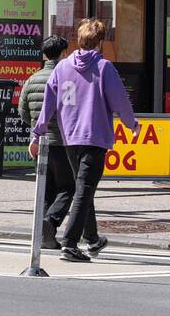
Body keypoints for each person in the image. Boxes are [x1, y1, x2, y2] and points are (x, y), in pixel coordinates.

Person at [30, 18, 139, 262]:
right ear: (99, 42)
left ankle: (92, 239)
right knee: (84, 189)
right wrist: (132, 125)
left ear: (78, 40)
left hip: (70, 138)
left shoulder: (61, 67)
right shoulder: (104, 67)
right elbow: (120, 101)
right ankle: (70, 243)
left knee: (82, 188)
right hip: (94, 137)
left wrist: (37, 134)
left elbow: (47, 105)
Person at [18, 34, 76, 250]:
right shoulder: (67, 79)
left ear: (44, 54)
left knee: (45, 189)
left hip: (39, 143)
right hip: (62, 142)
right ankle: (49, 223)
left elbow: (23, 112)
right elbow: (72, 109)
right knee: (68, 187)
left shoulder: (32, 79)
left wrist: (35, 126)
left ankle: (44, 236)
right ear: (63, 54)